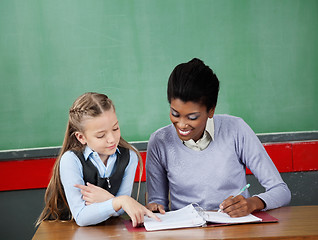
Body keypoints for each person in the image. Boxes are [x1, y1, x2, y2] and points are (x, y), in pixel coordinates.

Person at [146, 58, 291, 217]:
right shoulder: (159, 141)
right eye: (175, 114)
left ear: (211, 111)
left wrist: (252, 203)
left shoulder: (236, 130)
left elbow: (281, 191)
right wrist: (154, 208)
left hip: (236, 230)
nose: (181, 124)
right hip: (186, 232)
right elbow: (157, 202)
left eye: (192, 117)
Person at [36, 92, 159, 227]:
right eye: (101, 135)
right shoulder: (71, 160)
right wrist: (118, 201)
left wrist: (112, 200)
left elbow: (123, 208)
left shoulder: (130, 157)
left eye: (115, 128)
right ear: (81, 137)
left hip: (106, 231)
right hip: (66, 231)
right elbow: (82, 217)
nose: (112, 139)